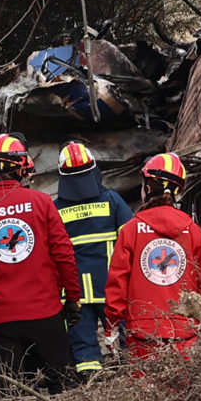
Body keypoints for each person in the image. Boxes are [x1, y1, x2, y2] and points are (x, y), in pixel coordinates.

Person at [0, 134, 81, 392]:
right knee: (64, 386)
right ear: (21, 167)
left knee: (11, 394)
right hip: (46, 313)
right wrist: (73, 299)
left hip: (0, 321)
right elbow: (64, 254)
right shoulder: (42, 203)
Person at [104, 153, 201, 363]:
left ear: (149, 188)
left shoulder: (131, 230)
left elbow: (117, 282)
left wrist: (111, 326)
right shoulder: (193, 230)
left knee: (144, 393)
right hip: (184, 330)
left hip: (142, 332)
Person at [55, 140, 131, 380]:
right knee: (126, 340)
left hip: (74, 292)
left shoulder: (55, 210)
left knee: (83, 347)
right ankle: (130, 380)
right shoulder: (112, 201)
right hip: (109, 287)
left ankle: (90, 387)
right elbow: (131, 240)